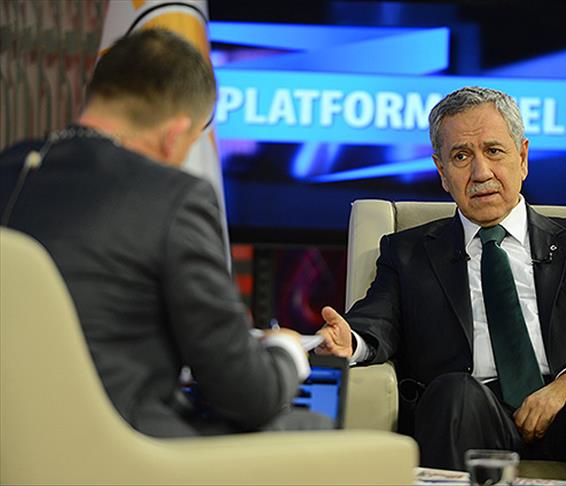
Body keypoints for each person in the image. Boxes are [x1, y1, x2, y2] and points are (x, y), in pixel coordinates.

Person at [316, 86, 566, 485]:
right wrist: (351, 341)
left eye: (493, 151)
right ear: (441, 171)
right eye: (461, 156)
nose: (481, 173)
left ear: (522, 157)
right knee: (452, 392)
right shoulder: (408, 253)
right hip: (473, 411)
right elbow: (376, 321)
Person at [0, 29, 329, 436]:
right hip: (113, 444)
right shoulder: (175, 196)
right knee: (311, 427)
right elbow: (248, 395)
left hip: (14, 439)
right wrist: (286, 353)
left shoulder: (10, 167)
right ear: (174, 135)